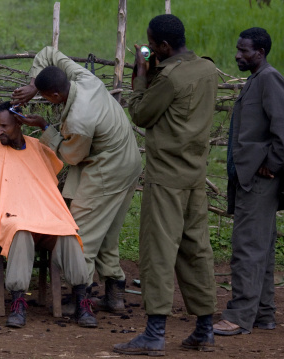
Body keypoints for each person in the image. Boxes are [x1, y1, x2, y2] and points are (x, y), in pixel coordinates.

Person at [113, 14, 218, 356]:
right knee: (196, 249)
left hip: (166, 179)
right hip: (194, 176)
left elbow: (142, 114)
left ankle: (155, 333)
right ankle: (204, 329)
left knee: (158, 252)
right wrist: (156, 66)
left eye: (152, 44)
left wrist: (142, 76)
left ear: (164, 46)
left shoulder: (168, 78)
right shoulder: (206, 69)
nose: (149, 49)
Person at [11, 47, 142, 314]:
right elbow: (48, 53)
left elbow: (71, 156)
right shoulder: (83, 78)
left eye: (47, 99)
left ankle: (81, 297)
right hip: (129, 161)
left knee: (79, 236)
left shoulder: (79, 120)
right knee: (105, 232)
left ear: (56, 95)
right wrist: (33, 85)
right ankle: (114, 293)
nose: (47, 102)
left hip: (109, 169)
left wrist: (45, 129)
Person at [0, 101, 97, 329]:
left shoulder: (40, 149)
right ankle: (18, 302)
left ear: (19, 123)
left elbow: (48, 187)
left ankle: (81, 300)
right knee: (20, 228)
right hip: (13, 222)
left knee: (67, 230)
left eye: (4, 126)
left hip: (45, 220)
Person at [213, 27, 284, 336]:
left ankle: (239, 315)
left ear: (260, 53)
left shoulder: (269, 79)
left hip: (259, 180)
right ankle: (263, 313)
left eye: (245, 50)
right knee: (260, 248)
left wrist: (273, 163)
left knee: (247, 248)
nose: (238, 54)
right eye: (238, 49)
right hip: (251, 177)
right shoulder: (255, 80)